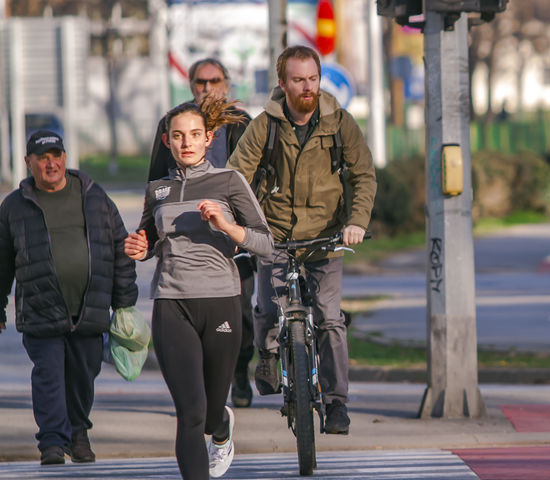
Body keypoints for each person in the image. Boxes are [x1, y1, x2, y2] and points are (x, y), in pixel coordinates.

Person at [227, 45, 377, 435]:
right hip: (273, 234)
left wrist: (356, 221)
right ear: (282, 83)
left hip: (326, 238)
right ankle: (268, 354)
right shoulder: (265, 125)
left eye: (312, 78)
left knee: (330, 319)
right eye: (298, 80)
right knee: (266, 309)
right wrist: (242, 226)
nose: (307, 87)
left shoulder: (341, 123)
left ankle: (337, 401)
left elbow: (363, 177)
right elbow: (236, 176)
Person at [125, 97, 273, 479]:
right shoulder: (157, 189)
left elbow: (265, 242)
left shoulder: (228, 181)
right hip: (172, 303)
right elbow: (149, 239)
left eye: (194, 135)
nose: (186, 143)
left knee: (208, 413)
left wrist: (227, 226)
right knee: (190, 412)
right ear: (167, 141)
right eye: (177, 136)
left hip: (221, 301)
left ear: (209, 138)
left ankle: (221, 425)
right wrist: (141, 249)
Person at [0, 130, 138, 466]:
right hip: (41, 308)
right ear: (28, 163)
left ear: (65, 157)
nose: (51, 163)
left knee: (83, 374)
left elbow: (120, 249)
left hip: (88, 309)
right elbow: (3, 260)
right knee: (48, 374)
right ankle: (51, 441)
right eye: (43, 157)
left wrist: (124, 303)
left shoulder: (94, 196)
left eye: (56, 155)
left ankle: (78, 432)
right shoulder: (14, 206)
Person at [148, 57, 257, 409]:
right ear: (191, 85)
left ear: (226, 84)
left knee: (242, 310)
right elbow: (155, 178)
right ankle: (204, 400)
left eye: (214, 81)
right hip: (186, 243)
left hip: (233, 234)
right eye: (200, 82)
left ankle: (237, 375)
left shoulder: (243, 124)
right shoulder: (174, 124)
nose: (207, 88)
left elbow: (262, 175)